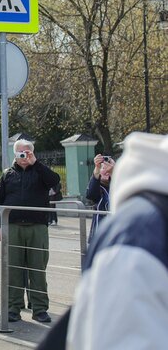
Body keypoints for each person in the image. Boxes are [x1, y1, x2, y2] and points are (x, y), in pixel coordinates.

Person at [64, 132, 168, 349]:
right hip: (104, 237)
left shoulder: (137, 226)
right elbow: (90, 194)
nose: (105, 170)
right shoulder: (134, 234)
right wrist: (96, 173)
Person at [0, 139, 60, 324]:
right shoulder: (7, 174)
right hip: (13, 227)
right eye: (20, 152)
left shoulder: (40, 171)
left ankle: (39, 309)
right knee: (13, 269)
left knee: (38, 269)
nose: (24, 155)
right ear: (15, 154)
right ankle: (13, 308)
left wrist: (35, 163)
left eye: (27, 152)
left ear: (32, 153)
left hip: (37, 227)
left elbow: (55, 181)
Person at [85, 153, 113, 242]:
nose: (106, 171)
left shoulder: (118, 185)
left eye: (109, 168)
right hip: (99, 232)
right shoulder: (98, 187)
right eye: (103, 168)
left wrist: (113, 174)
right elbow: (90, 195)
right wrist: (97, 168)